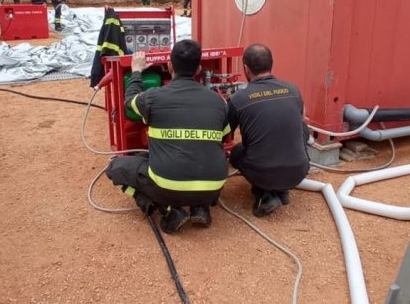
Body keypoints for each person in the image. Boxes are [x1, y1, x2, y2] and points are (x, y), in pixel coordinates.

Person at [106, 40, 229, 233]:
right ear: (198, 69)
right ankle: (201, 207)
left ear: (170, 65)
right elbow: (223, 136)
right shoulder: (219, 102)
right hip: (213, 188)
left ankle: (168, 209)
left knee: (115, 167)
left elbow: (129, 102)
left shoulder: (153, 97)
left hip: (167, 188)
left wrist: (136, 72)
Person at [227, 44, 309, 217]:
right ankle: (282, 190)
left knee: (236, 152)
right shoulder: (293, 90)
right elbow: (300, 119)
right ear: (271, 64)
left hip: (263, 174)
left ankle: (264, 195)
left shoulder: (239, 98)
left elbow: (225, 134)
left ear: (246, 69)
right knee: (302, 127)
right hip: (298, 171)